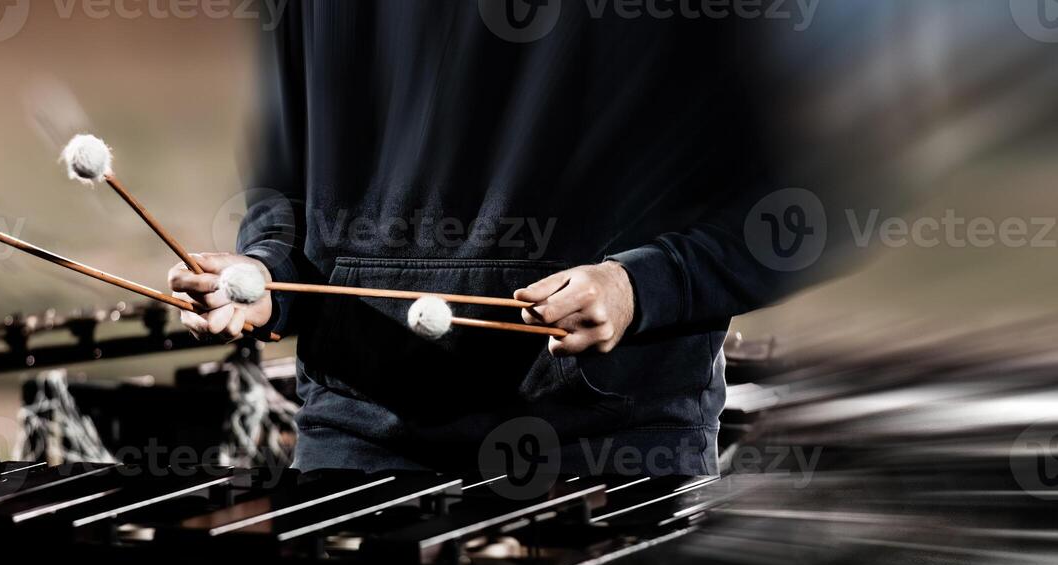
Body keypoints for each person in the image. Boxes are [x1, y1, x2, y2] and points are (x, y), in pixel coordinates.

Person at [170, 3, 795, 477]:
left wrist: (639, 286)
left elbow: (781, 208)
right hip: (360, 434)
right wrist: (266, 276)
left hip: (607, 440)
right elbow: (290, 192)